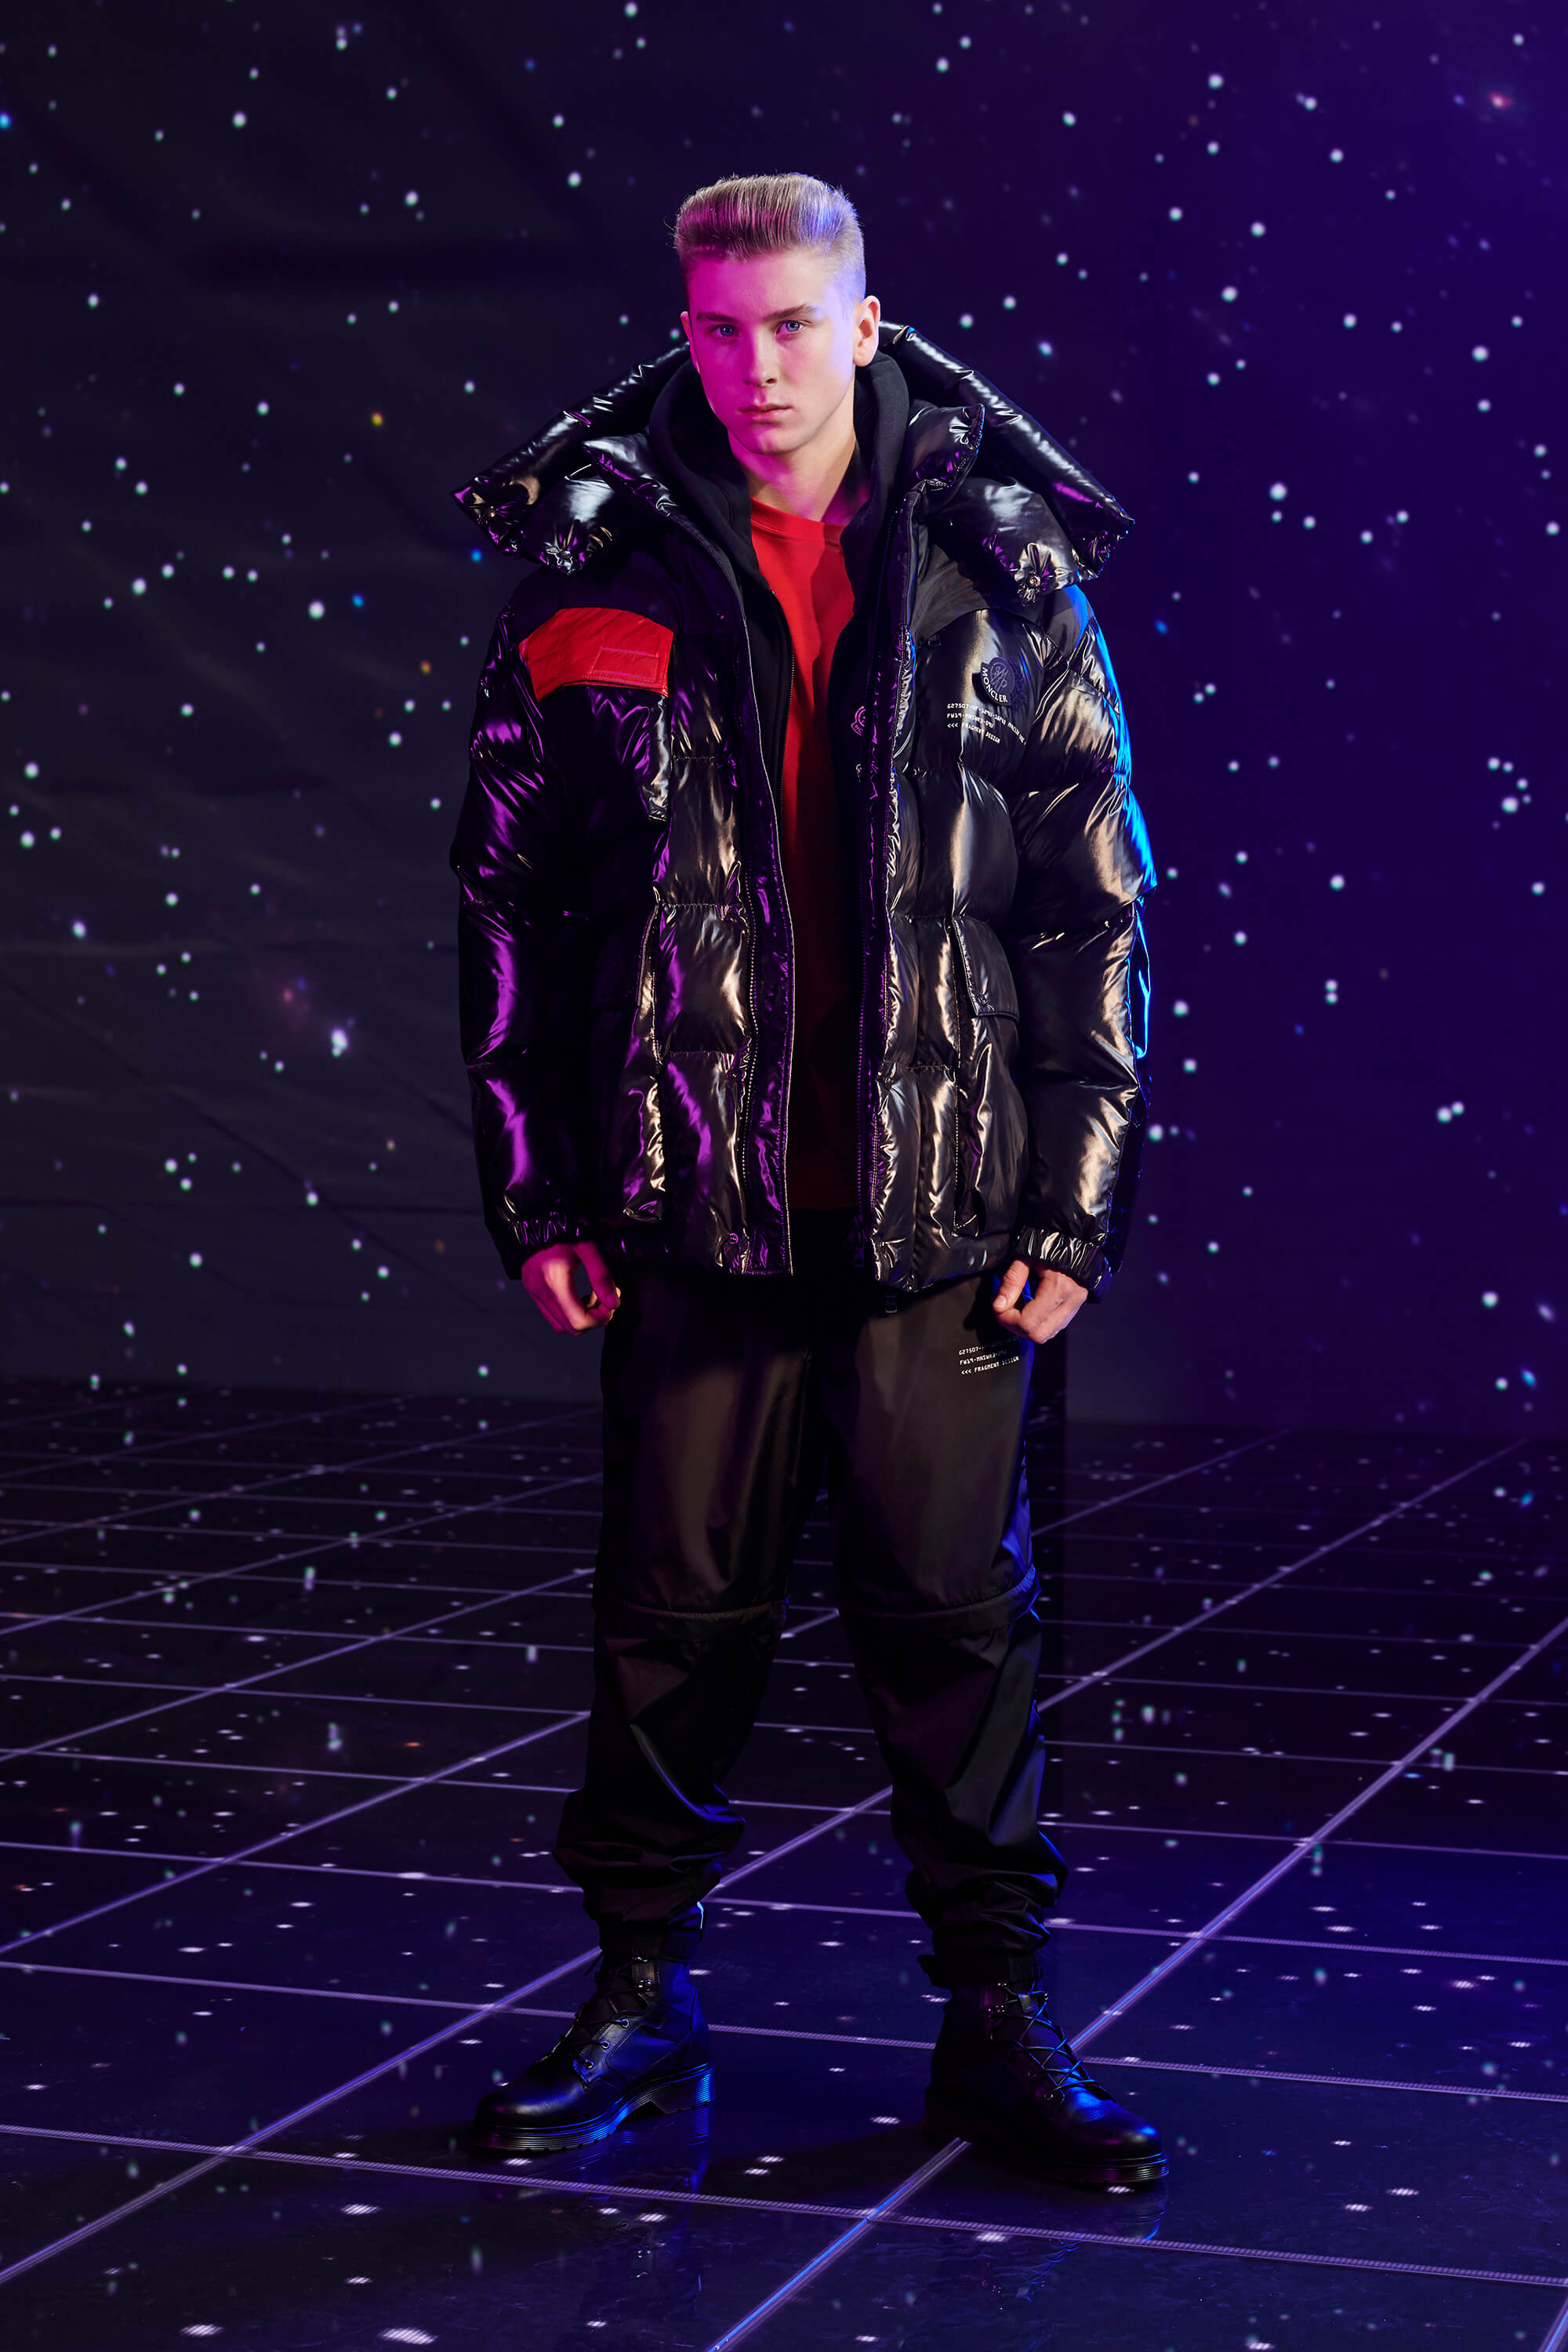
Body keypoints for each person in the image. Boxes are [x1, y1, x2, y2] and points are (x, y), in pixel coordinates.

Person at [448, 172, 1162, 2188]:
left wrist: (1074, 1202)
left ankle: (994, 2018)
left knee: (958, 1623)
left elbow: (1090, 911)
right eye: (716, 328)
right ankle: (639, 1994)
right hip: (693, 1207)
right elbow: (514, 911)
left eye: (788, 325)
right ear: (680, 330)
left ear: (861, 324)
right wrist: (541, 1189)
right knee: (668, 1619)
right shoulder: (596, 570)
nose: (753, 367)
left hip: (947, 1217)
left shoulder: (1004, 572)